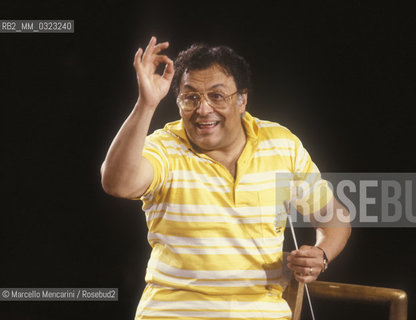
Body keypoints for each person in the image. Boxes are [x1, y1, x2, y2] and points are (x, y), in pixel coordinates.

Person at [101, 36, 351, 320]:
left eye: (217, 96)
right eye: (191, 97)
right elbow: (116, 183)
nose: (203, 109)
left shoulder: (280, 144)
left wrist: (321, 254)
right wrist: (146, 104)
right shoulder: (166, 146)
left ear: (242, 99)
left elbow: (332, 214)